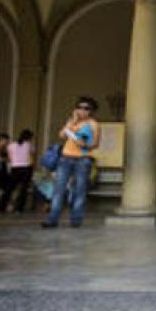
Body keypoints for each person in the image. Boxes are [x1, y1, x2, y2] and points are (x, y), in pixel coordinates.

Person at [42, 96, 101, 228]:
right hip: (65, 157)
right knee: (58, 189)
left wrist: (85, 145)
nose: (82, 110)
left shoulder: (93, 124)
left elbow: (95, 144)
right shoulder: (72, 121)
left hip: (82, 159)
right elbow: (62, 135)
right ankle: (52, 219)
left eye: (86, 108)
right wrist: (72, 122)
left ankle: (76, 220)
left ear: (91, 111)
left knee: (79, 190)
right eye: (79, 107)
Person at [0, 129, 35, 213]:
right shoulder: (29, 145)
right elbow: (31, 156)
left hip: (15, 168)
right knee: (23, 189)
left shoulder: (11, 145)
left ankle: (1, 207)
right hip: (26, 168)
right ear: (29, 137)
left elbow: (10, 158)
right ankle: (19, 208)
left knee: (9, 188)